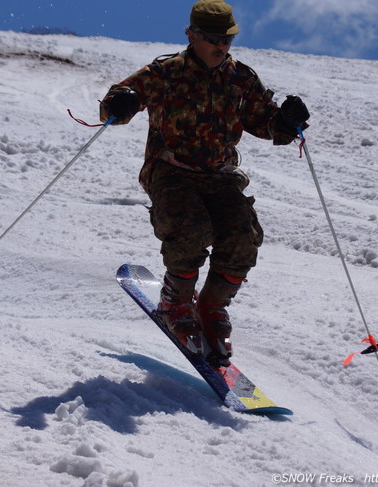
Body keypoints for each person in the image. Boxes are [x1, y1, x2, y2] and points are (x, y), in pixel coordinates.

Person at [100, 0, 310, 367]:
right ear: (192, 35)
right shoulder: (166, 72)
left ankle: (211, 307)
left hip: (219, 174)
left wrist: (287, 122)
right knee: (191, 230)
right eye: (213, 38)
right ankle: (176, 303)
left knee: (242, 237)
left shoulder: (240, 78)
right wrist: (121, 103)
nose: (221, 46)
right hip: (171, 171)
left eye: (227, 38)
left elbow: (264, 121)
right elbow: (116, 103)